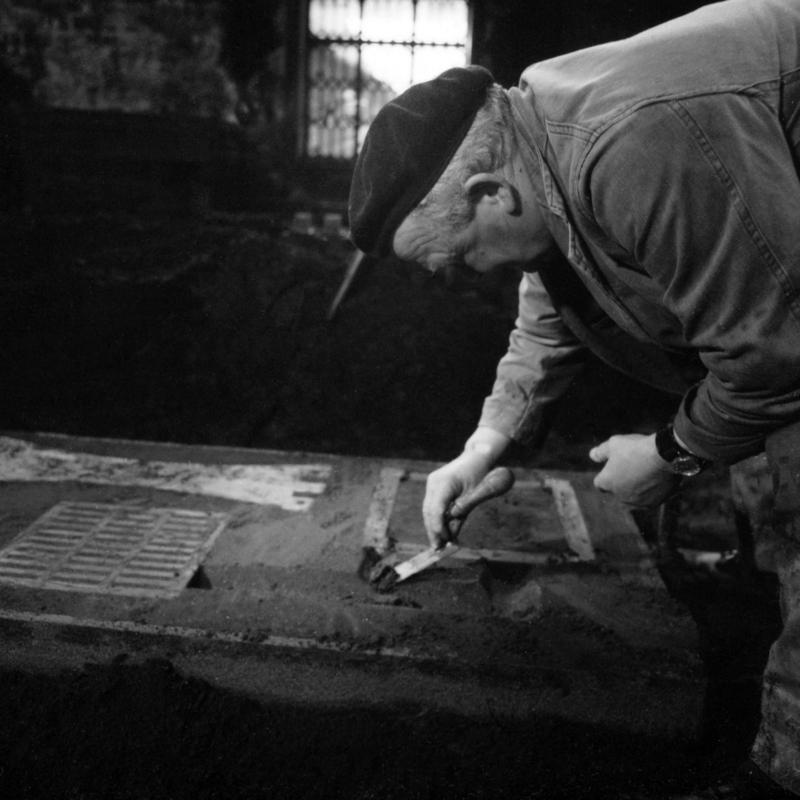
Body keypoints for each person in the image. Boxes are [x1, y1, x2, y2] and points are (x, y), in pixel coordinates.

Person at [348, 0, 800, 797]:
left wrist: (672, 456)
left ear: (492, 194)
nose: (473, 274)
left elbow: (776, 353)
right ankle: (753, 603)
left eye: (461, 257)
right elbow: (551, 297)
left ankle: (782, 772)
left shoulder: (634, 144)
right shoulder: (537, 134)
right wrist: (486, 445)